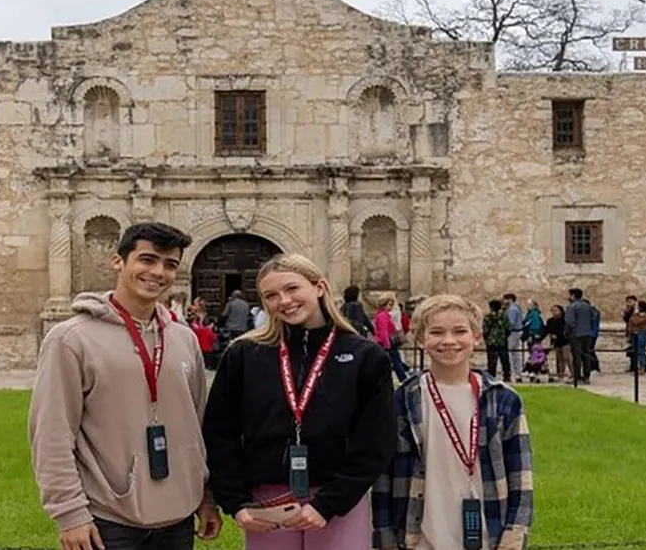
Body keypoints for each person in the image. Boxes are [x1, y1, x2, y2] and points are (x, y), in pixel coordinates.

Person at [28, 222, 222, 550]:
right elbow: (52, 433)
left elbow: (198, 425)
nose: (158, 272)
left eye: (170, 264)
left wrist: (206, 496)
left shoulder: (183, 339)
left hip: (179, 515)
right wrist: (69, 514)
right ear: (118, 261)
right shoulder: (71, 339)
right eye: (147, 260)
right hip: (108, 518)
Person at [202, 253, 395, 550]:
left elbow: (375, 438)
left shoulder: (364, 356)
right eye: (271, 295)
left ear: (319, 287)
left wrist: (330, 502)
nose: (284, 300)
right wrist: (236, 502)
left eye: (292, 289)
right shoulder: (243, 356)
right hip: (267, 501)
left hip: (337, 499)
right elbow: (220, 432)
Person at [372, 294, 534, 550]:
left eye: (460, 331)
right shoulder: (403, 399)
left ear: (476, 336)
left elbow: (521, 475)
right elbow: (385, 473)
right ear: (421, 339)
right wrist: (385, 536)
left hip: (488, 534)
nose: (449, 341)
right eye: (436, 332)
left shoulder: (503, 399)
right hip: (420, 536)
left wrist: (515, 534)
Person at [375, 295, 409, 383]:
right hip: (387, 342)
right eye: (389, 305)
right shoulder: (383, 316)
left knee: (394, 361)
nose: (391, 307)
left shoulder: (383, 315)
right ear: (384, 305)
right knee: (396, 361)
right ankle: (404, 378)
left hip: (386, 342)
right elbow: (383, 331)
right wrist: (387, 344)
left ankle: (403, 377)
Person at [565, 288, 593, 385]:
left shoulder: (572, 307)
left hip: (576, 334)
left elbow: (570, 322)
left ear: (573, 295)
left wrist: (566, 333)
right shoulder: (587, 306)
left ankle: (576, 376)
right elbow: (592, 318)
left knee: (576, 356)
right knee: (586, 356)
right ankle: (586, 376)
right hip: (587, 333)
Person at [482, 300, 512, 382]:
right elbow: (508, 328)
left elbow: (485, 330)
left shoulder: (488, 317)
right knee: (504, 359)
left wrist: (487, 338)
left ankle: (491, 376)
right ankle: (507, 375)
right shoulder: (504, 316)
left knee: (491, 360)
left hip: (491, 341)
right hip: (502, 341)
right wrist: (504, 336)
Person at [546, 305, 572, 383]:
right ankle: (560, 374)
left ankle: (574, 374)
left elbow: (566, 331)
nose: (554, 312)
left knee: (567, 358)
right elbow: (547, 330)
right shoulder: (550, 321)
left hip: (564, 341)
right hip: (556, 342)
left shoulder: (564, 320)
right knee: (559, 359)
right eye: (553, 310)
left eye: (556, 310)